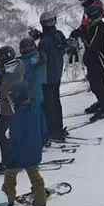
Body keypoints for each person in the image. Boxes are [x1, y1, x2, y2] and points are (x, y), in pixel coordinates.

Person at [0, 86, 48, 206]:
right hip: (34, 151)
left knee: (10, 175)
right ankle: (40, 201)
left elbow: (15, 138)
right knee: (34, 174)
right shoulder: (37, 110)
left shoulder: (17, 116)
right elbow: (44, 131)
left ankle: (7, 201)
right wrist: (38, 145)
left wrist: (10, 154)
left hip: (19, 154)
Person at [79, 0, 104, 117]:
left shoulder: (98, 25)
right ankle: (103, 102)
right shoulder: (93, 20)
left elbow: (92, 44)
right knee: (94, 81)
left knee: (97, 81)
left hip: (97, 55)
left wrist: (82, 34)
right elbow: (85, 28)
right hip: (93, 56)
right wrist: (80, 32)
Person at [35, 11, 69, 142]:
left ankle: (52, 131)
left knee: (48, 104)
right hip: (56, 74)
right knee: (55, 102)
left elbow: (40, 59)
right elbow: (57, 44)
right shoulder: (59, 35)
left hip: (46, 77)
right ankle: (58, 128)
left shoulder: (44, 42)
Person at [19, 35, 47, 141]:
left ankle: (39, 137)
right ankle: (42, 135)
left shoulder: (32, 59)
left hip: (33, 91)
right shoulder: (36, 56)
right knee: (39, 113)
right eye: (24, 48)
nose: (25, 50)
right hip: (38, 90)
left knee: (35, 114)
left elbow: (28, 65)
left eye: (26, 47)